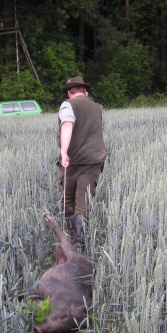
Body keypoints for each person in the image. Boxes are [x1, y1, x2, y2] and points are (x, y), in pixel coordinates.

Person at [58, 76, 106, 246]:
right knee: (83, 199)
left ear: (69, 94)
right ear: (85, 92)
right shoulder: (97, 108)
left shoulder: (67, 105)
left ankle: (71, 240)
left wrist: (64, 152)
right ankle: (79, 241)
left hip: (73, 160)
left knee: (69, 199)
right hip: (94, 160)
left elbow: (67, 125)